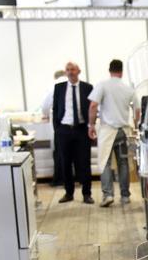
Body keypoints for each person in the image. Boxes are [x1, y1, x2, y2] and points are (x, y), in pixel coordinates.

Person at [88, 59, 135, 207]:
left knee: (105, 163)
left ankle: (108, 195)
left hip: (107, 131)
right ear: (121, 72)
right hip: (122, 131)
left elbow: (93, 105)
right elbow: (138, 109)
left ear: (109, 70)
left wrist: (91, 125)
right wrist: (137, 122)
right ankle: (125, 196)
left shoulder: (103, 85)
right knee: (123, 164)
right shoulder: (128, 88)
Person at [52, 62, 94, 204]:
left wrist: (90, 126)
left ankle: (87, 193)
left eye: (73, 70)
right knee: (65, 162)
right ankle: (68, 192)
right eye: (68, 70)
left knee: (84, 162)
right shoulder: (59, 88)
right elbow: (55, 109)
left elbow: (91, 108)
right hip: (64, 129)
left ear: (79, 71)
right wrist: (57, 129)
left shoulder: (87, 88)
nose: (70, 72)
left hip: (81, 129)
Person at [41, 70, 66, 186]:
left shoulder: (53, 86)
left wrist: (45, 115)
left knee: (59, 152)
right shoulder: (71, 84)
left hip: (59, 123)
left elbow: (45, 106)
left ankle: (59, 179)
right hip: (74, 124)